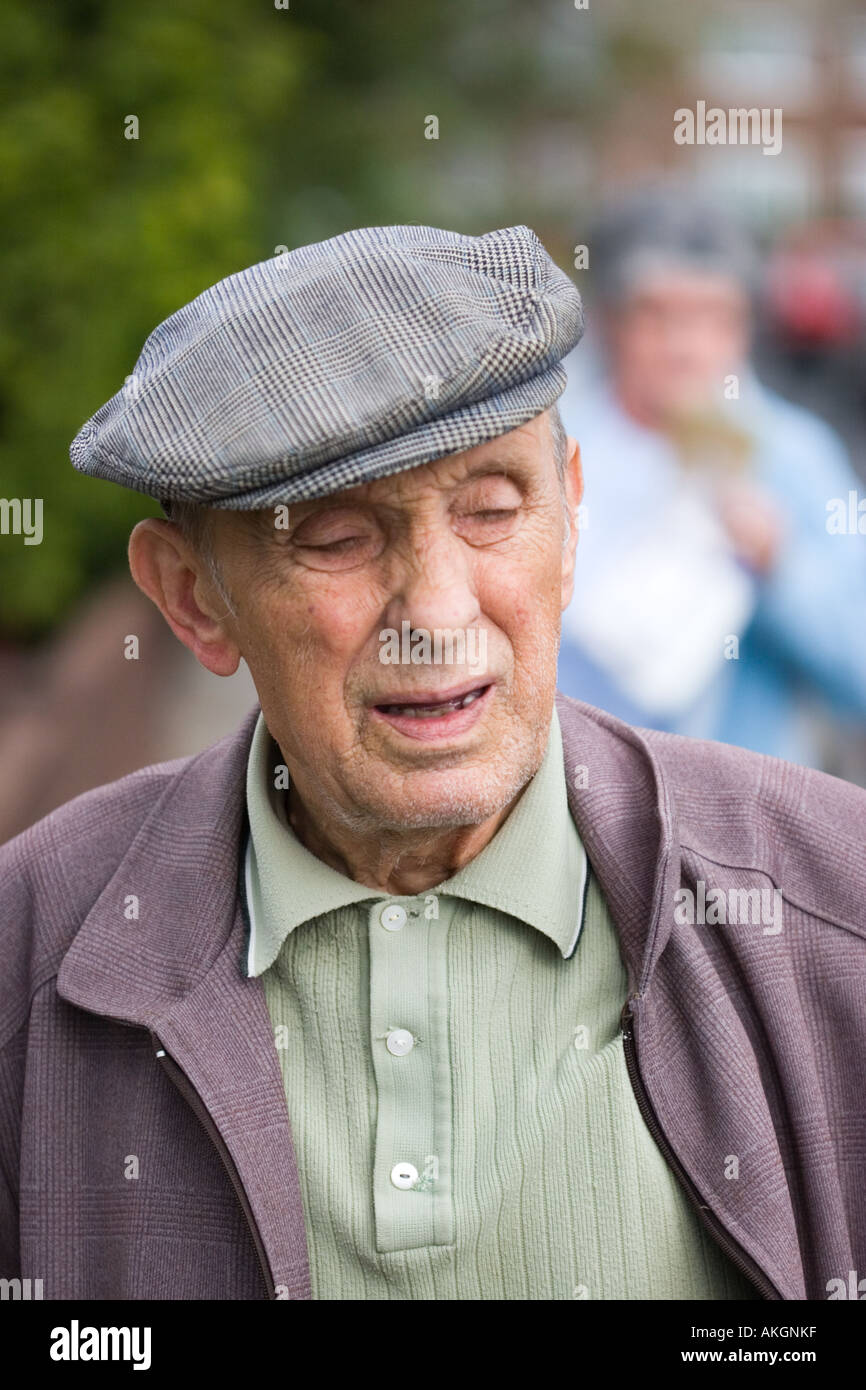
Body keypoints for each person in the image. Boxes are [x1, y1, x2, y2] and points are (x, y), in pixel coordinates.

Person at [1, 224, 864, 1302]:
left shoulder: (835, 911)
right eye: (335, 538)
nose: (438, 616)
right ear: (190, 597)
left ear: (567, 516)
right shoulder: (30, 948)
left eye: (491, 509)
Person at [557, 192, 866, 769]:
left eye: (712, 317)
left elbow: (859, 671)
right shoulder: (555, 444)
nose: (685, 346)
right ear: (608, 323)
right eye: (657, 315)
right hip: (573, 790)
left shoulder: (792, 457)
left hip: (734, 813)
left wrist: (781, 564)